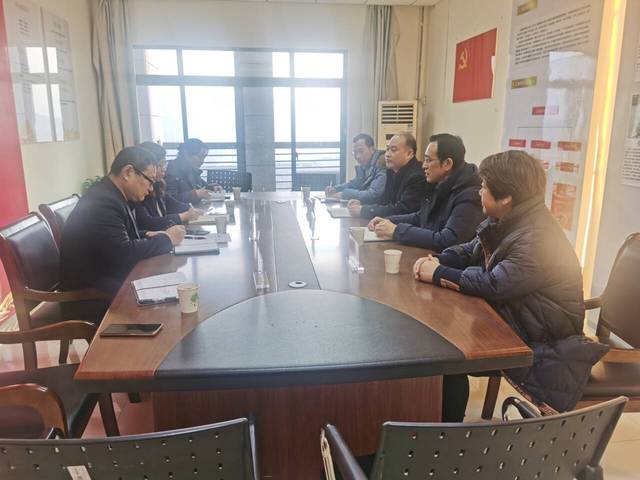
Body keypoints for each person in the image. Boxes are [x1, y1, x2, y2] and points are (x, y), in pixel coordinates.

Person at [413, 150, 608, 420]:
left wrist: (438, 273)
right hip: (517, 318)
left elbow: (495, 284)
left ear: (505, 197)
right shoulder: (507, 220)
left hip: (543, 338)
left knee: (448, 357)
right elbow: (469, 250)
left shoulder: (538, 237)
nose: (479, 192)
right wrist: (439, 259)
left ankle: (446, 432)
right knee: (439, 340)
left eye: (484, 187)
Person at [60, 146, 186, 303]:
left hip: (108, 280)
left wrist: (147, 234)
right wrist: (167, 239)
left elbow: (118, 238)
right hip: (91, 296)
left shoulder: (111, 194)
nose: (151, 188)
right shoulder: (102, 202)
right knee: (175, 299)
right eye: (150, 180)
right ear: (128, 172)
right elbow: (123, 254)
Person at [367, 133, 484, 252]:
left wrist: (397, 231)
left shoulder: (470, 194)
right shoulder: (439, 183)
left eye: (428, 160)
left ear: (447, 164)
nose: (424, 166)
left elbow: (448, 240)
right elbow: (421, 217)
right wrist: (388, 220)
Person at [347, 132, 427, 219]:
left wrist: (364, 210)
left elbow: (402, 210)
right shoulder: (391, 171)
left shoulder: (417, 177)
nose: (387, 154)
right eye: (387, 149)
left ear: (409, 153)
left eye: (393, 150)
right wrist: (363, 204)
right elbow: (385, 201)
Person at [134, 142, 202, 231]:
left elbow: (173, 204)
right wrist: (183, 216)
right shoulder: (138, 191)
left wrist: (191, 209)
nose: (164, 169)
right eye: (160, 165)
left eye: (164, 163)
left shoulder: (158, 184)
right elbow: (148, 223)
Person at [325, 133, 385, 203]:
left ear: (372, 149)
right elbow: (354, 184)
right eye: (355, 152)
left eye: (361, 151)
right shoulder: (365, 166)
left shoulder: (382, 164)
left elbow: (373, 195)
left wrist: (344, 194)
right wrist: (335, 189)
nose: (358, 156)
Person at [165, 138, 214, 204]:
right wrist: (194, 194)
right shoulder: (171, 171)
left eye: (204, 157)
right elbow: (170, 201)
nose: (202, 161)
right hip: (184, 210)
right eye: (200, 157)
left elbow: (201, 185)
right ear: (186, 154)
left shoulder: (191, 169)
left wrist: (212, 188)